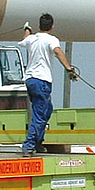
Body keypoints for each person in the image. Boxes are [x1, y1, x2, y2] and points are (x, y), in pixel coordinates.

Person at [18, 13, 77, 155]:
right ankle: (29, 145)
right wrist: (69, 68)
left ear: (39, 26)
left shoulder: (32, 39)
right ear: (52, 26)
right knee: (40, 113)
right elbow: (58, 51)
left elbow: (24, 39)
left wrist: (27, 29)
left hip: (30, 80)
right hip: (42, 80)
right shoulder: (51, 40)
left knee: (46, 110)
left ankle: (38, 141)